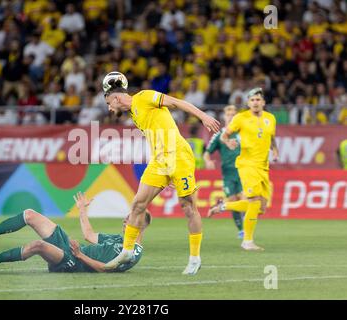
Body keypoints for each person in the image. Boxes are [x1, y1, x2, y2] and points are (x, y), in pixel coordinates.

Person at [103, 72, 220, 275]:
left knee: (188, 207)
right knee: (138, 204)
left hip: (179, 156)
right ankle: (127, 251)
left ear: (116, 98)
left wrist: (203, 116)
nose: (109, 108)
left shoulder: (144, 97)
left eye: (108, 103)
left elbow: (176, 102)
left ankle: (194, 258)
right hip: (159, 161)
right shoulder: (134, 114)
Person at [0, 192, 151, 273]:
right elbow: (89, 236)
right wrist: (83, 210)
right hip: (73, 249)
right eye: (127, 218)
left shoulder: (134, 251)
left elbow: (106, 268)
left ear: (140, 224)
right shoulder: (121, 239)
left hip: (75, 261)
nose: (125, 220)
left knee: (38, 246)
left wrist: (79, 255)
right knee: (30, 214)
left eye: (130, 218)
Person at [208, 88, 279, 251]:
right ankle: (247, 241)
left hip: (263, 167)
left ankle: (223, 207)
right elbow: (224, 135)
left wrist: (275, 149)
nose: (255, 102)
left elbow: (271, 137)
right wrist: (228, 142)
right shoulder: (241, 118)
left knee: (260, 207)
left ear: (263, 103)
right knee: (253, 202)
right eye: (252, 100)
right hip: (247, 165)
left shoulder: (270, 118)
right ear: (248, 103)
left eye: (258, 100)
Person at [204, 105, 244, 239]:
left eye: (234, 114)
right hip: (228, 174)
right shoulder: (219, 135)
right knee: (232, 200)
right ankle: (241, 230)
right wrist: (208, 161)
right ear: (224, 117)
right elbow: (207, 153)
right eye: (229, 114)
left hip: (243, 172)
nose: (231, 116)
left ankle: (245, 225)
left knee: (244, 200)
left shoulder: (242, 133)